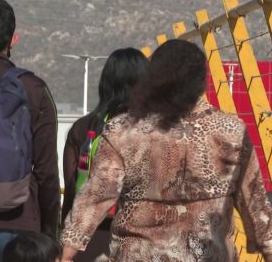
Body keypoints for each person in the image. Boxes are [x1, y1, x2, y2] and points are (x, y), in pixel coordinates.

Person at [60, 39, 272, 262]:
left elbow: (96, 196)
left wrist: (67, 252)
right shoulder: (231, 132)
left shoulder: (124, 131)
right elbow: (255, 205)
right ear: (202, 82)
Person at [0, 0, 60, 262]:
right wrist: (50, 232)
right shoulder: (34, 89)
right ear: (13, 39)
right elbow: (47, 171)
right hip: (22, 229)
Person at [61, 47, 148, 261]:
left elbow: (73, 189)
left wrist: (64, 241)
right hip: (139, 240)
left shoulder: (83, 128)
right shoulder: (154, 130)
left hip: (89, 240)